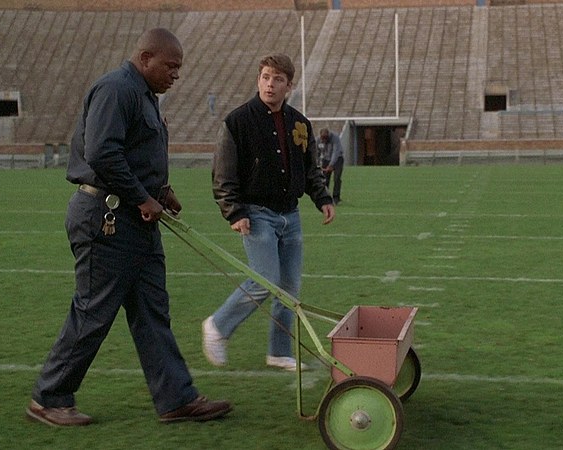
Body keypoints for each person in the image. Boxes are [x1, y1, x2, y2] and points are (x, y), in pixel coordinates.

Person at [27, 28, 231, 427]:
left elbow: (136, 152)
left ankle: (176, 398)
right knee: (93, 311)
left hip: (134, 221)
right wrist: (142, 198)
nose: (176, 74)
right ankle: (48, 399)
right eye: (171, 66)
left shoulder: (144, 95)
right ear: (145, 58)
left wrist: (161, 191)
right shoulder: (116, 89)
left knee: (153, 312)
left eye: (179, 68)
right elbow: (102, 152)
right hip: (107, 219)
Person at [203, 53, 335, 371]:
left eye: (277, 79)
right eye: (265, 77)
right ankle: (218, 326)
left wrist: (323, 198)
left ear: (289, 85)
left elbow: (310, 168)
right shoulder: (237, 121)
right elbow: (223, 173)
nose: (270, 84)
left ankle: (279, 351)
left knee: (289, 288)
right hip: (256, 213)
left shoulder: (300, 123)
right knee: (265, 280)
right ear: (258, 80)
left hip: (291, 215)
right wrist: (234, 211)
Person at [318, 128, 344, 204]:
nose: (324, 141)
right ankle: (325, 197)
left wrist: (331, 165)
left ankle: (336, 198)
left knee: (337, 178)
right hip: (326, 159)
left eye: (325, 139)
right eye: (323, 139)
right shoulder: (318, 140)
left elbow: (335, 152)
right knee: (324, 179)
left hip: (338, 159)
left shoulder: (335, 138)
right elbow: (317, 152)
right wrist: (318, 164)